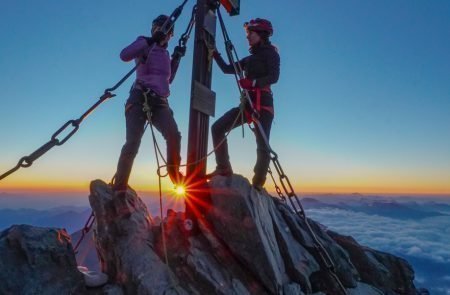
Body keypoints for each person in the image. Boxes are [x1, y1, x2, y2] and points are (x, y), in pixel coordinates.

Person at [112, 15, 186, 203]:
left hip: (160, 101)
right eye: (156, 28)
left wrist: (176, 58)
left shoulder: (165, 54)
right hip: (139, 98)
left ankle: (174, 174)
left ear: (170, 34)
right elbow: (124, 55)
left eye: (162, 29)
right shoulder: (144, 43)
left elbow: (166, 80)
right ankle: (119, 189)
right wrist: (151, 40)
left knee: (173, 135)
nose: (158, 31)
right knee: (132, 144)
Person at [208, 18, 280, 190]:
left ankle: (258, 183)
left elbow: (274, 77)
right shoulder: (250, 59)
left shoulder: (271, 54)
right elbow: (227, 69)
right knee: (217, 128)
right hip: (248, 104)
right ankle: (223, 167)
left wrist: (253, 83)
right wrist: (215, 54)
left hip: (263, 103)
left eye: (250, 33)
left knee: (262, 144)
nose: (247, 37)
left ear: (261, 35)